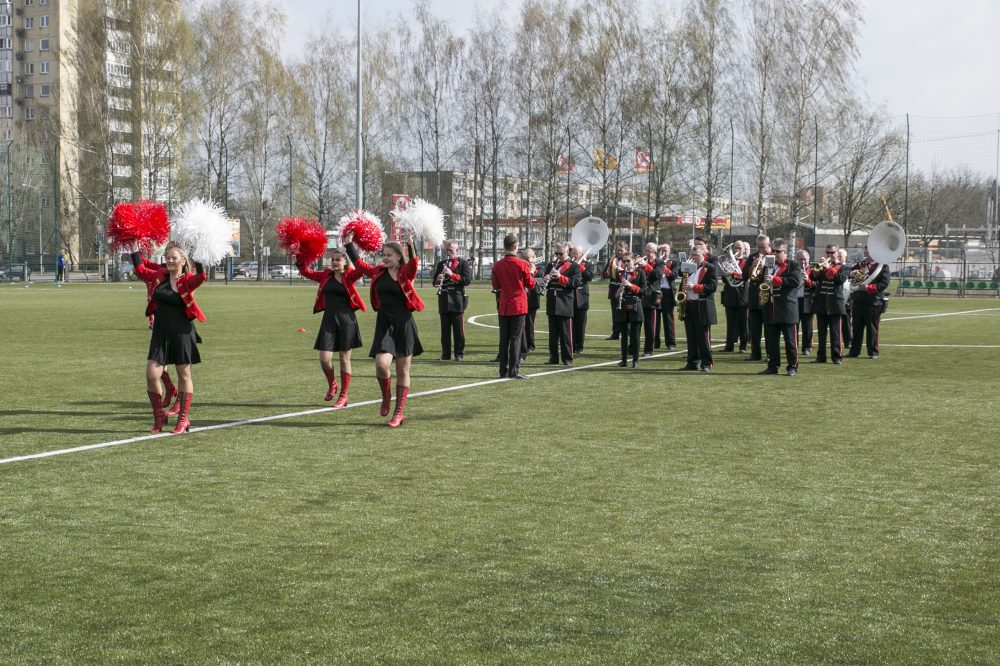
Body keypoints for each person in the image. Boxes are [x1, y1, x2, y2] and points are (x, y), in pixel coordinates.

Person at [345, 235, 424, 428]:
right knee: (381, 364)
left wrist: (411, 242)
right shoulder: (378, 272)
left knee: (402, 370)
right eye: (384, 254)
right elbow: (360, 265)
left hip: (404, 324)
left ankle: (398, 413)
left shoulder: (406, 272)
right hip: (384, 323)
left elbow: (414, 262)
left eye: (389, 255)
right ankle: (386, 396)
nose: (385, 257)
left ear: (399, 257)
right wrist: (348, 244)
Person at [130, 240, 206, 435]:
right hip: (160, 333)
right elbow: (139, 269)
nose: (170, 260)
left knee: (184, 376)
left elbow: (201, 276)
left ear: (182, 261)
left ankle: (183, 420)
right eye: (168, 258)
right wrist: (133, 247)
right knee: (151, 375)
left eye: (174, 258)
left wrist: (200, 251)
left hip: (181, 333)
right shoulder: (159, 275)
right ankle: (159, 417)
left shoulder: (187, 279)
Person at [296, 244, 366, 408]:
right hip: (328, 321)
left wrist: (352, 248)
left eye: (338, 260)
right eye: (332, 259)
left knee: (344, 359)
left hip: (347, 321)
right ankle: (333, 384)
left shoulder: (350, 276)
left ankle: (343, 395)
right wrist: (299, 255)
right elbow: (306, 272)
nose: (334, 262)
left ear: (345, 262)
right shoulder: (326, 275)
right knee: (324, 358)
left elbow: (362, 270)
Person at [492, 234, 537, 379]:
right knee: (516, 339)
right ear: (516, 246)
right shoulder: (522, 264)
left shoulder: (497, 265)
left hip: (504, 305)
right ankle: (513, 370)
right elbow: (531, 284)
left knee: (503, 339)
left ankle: (502, 370)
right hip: (518, 305)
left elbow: (496, 286)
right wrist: (530, 272)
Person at [759, 239, 802, 376]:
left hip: (787, 307)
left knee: (790, 341)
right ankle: (772, 366)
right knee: (771, 341)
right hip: (770, 307)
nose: (775, 254)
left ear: (785, 252)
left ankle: (792, 366)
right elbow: (761, 282)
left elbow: (795, 281)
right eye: (774, 251)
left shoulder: (793, 265)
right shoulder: (769, 265)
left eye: (778, 251)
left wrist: (776, 280)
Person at [847, 245, 891, 360]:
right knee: (856, 328)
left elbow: (883, 284)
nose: (866, 254)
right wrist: (852, 273)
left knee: (872, 328)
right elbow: (850, 275)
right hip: (858, 300)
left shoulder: (883, 266)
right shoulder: (861, 265)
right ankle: (854, 351)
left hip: (873, 301)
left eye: (868, 252)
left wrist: (867, 288)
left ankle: (873, 352)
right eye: (866, 252)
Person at [431, 239, 473, 361]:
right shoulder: (441, 264)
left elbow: (467, 280)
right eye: (447, 250)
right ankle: (445, 354)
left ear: (456, 250)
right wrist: (438, 280)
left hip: (457, 300)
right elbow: (434, 282)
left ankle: (459, 354)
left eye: (451, 250)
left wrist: (452, 274)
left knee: (458, 331)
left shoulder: (463, 263)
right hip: (443, 300)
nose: (448, 252)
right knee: (445, 331)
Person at [679, 247, 718, 372]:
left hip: (702, 306)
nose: (693, 257)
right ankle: (692, 362)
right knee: (691, 336)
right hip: (689, 304)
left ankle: (707, 363)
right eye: (692, 254)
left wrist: (694, 287)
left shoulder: (710, 268)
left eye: (696, 254)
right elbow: (682, 282)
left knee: (703, 337)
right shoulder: (688, 267)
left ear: (704, 255)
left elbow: (712, 286)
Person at [809, 244, 848, 365]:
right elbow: (812, 277)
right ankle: (821, 356)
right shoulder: (822, 267)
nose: (830, 255)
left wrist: (828, 268)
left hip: (835, 304)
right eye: (828, 253)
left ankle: (836, 357)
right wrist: (818, 268)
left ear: (837, 253)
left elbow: (840, 279)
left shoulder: (843, 267)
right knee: (821, 333)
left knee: (835, 333)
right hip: (821, 303)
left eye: (832, 253)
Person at [544, 242, 582, 366]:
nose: (558, 256)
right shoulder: (551, 265)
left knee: (566, 333)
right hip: (552, 300)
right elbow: (546, 281)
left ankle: (567, 359)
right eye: (556, 253)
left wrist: (560, 277)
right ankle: (553, 358)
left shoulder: (573, 266)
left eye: (561, 253)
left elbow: (576, 282)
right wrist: (545, 279)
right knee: (553, 333)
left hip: (565, 301)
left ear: (567, 252)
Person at [741, 234, 772, 362]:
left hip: (768, 296)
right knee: (754, 328)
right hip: (754, 296)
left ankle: (770, 354)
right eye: (758, 247)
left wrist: (764, 267)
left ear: (768, 246)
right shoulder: (752, 257)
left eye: (763, 247)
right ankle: (755, 353)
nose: (760, 250)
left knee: (769, 328)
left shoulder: (772, 257)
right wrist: (752, 267)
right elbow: (744, 276)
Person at [612, 252, 645, 368]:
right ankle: (624, 360)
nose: (625, 263)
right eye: (624, 261)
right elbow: (614, 290)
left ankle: (635, 360)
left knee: (635, 335)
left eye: (628, 261)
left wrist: (631, 286)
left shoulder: (640, 273)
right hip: (623, 304)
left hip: (635, 304)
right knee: (624, 334)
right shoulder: (620, 273)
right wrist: (618, 292)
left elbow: (644, 290)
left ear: (634, 261)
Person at [721, 240, 749, 353]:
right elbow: (724, 280)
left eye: (739, 248)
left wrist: (732, 273)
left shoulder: (747, 262)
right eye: (735, 248)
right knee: (730, 322)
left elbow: (745, 276)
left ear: (743, 250)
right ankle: (729, 346)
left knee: (743, 322)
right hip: (730, 294)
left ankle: (743, 346)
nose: (737, 250)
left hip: (743, 295)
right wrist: (725, 273)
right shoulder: (729, 261)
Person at [638, 242, 663, 357]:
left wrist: (645, 266)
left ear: (654, 252)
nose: (647, 253)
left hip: (652, 296)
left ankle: (648, 349)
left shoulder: (659, 262)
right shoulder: (641, 261)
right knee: (636, 324)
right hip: (640, 295)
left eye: (650, 251)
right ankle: (633, 348)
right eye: (646, 250)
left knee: (650, 325)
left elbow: (657, 274)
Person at [571, 245, 594, 357]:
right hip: (570, 297)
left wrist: (581, 267)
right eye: (573, 253)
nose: (574, 255)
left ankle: (579, 346)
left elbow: (590, 276)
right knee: (571, 323)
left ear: (581, 253)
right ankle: (571, 345)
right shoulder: (569, 263)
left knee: (580, 324)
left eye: (576, 253)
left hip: (581, 297)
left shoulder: (587, 263)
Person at [656, 243, 679, 350]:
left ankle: (670, 343)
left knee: (668, 319)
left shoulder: (673, 262)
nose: (663, 252)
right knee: (655, 319)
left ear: (669, 252)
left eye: (665, 250)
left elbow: (674, 275)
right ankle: (655, 342)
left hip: (668, 292)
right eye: (662, 250)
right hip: (656, 292)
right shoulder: (655, 262)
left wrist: (662, 266)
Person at [603, 241, 628, 340]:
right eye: (618, 250)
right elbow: (605, 274)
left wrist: (621, 270)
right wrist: (606, 273)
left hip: (626, 288)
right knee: (615, 312)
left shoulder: (629, 260)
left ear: (626, 250)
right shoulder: (612, 259)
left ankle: (627, 333)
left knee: (626, 312)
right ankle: (615, 334)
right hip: (614, 288)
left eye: (621, 250)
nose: (619, 252)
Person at [521, 248, 542, 355]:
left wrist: (532, 272)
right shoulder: (521, 268)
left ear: (534, 258)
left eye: (528, 257)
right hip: (521, 299)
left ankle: (530, 345)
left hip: (532, 299)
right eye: (524, 257)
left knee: (529, 324)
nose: (526, 260)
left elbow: (540, 283)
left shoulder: (539, 270)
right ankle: (523, 344)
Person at [795, 249, 814, 356]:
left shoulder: (813, 270)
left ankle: (806, 347)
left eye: (804, 259)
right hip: (795, 300)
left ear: (808, 259)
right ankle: (794, 346)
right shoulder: (793, 270)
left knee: (807, 326)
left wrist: (808, 280)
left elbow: (816, 286)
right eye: (800, 259)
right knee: (794, 325)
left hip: (807, 300)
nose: (803, 262)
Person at [837, 248, 854, 350]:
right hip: (834, 296)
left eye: (840, 255)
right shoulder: (833, 266)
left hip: (845, 296)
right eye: (837, 254)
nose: (838, 256)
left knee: (846, 320)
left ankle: (848, 341)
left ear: (845, 257)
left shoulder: (848, 267)